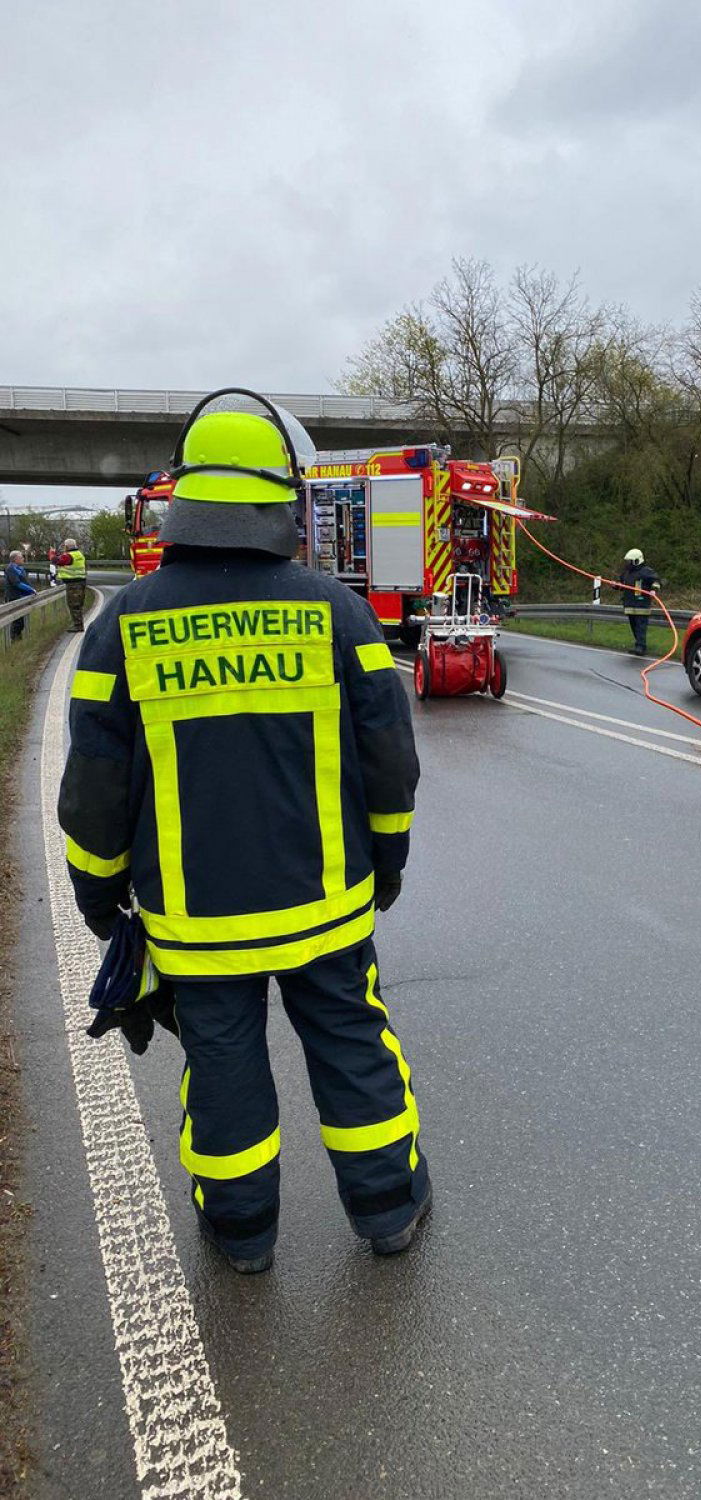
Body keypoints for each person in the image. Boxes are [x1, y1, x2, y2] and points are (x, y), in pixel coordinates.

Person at [57, 388, 428, 1274]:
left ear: (184, 499)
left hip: (196, 923)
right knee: (350, 1047)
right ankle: (386, 1213)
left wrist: (102, 899)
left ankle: (242, 1233)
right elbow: (390, 764)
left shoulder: (121, 628)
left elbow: (94, 793)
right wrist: (387, 865)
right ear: (279, 504)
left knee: (221, 1070)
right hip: (326, 909)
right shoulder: (339, 616)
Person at [619, 547, 662, 655]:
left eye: (630, 561)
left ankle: (641, 647)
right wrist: (616, 585)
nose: (628, 564)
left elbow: (656, 581)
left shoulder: (646, 571)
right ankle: (638, 645)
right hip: (630, 605)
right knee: (634, 627)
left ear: (637, 560)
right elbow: (622, 584)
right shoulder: (627, 573)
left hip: (641, 605)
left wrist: (653, 590)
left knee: (640, 627)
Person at [56, 536, 88, 631]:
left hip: (73, 584)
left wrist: (52, 555)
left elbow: (57, 561)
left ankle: (78, 626)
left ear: (67, 546)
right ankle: (78, 624)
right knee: (78, 604)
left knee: (74, 604)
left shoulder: (69, 555)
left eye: (64, 546)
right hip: (80, 582)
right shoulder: (79, 554)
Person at [4, 550, 36, 640]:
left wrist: (30, 590)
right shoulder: (11, 569)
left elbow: (25, 582)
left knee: (21, 621)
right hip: (13, 597)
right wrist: (30, 589)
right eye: (21, 557)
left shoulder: (20, 568)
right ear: (15, 559)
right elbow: (16, 583)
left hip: (20, 597)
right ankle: (15, 640)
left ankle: (18, 639)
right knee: (17, 621)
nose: (23, 559)